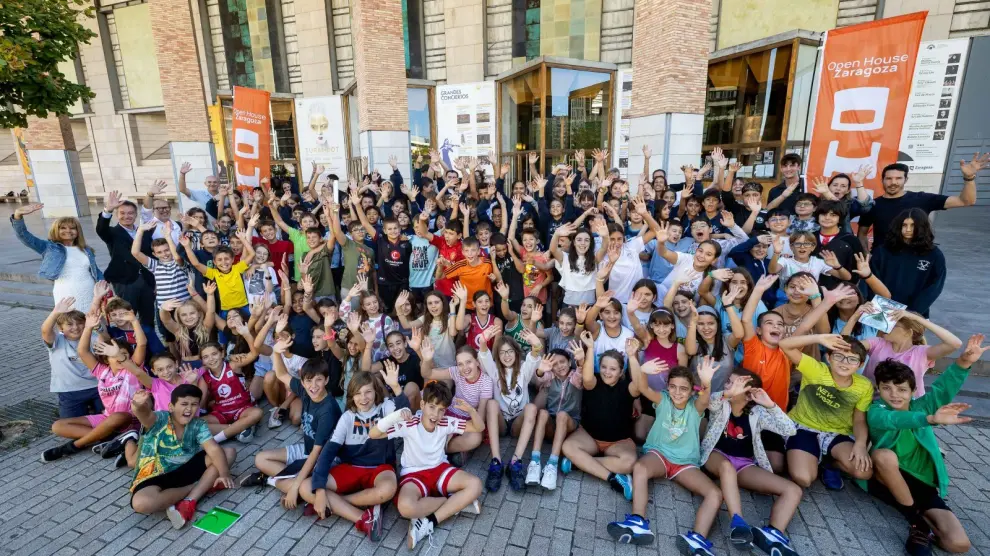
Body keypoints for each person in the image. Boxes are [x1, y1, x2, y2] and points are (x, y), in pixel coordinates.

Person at [861, 334, 985, 556]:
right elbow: (894, 420)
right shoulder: (876, 411)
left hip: (921, 484)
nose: (894, 394)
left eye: (901, 389)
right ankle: (917, 523)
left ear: (912, 390)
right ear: (879, 387)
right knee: (883, 455)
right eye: (887, 388)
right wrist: (929, 419)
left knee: (959, 545)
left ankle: (922, 520)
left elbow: (941, 390)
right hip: (885, 475)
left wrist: (964, 362)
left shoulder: (921, 405)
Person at [608, 362, 721, 553]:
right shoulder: (663, 400)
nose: (677, 392)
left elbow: (705, 399)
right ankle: (638, 521)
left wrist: (707, 383)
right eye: (673, 387)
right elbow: (643, 388)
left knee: (715, 494)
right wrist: (643, 371)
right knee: (640, 468)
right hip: (659, 455)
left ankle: (697, 540)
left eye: (684, 389)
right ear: (667, 386)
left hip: (685, 463)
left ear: (692, 391)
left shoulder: (696, 407)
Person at [371, 382, 485, 550]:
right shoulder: (410, 424)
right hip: (414, 474)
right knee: (406, 507)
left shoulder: (445, 422)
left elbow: (478, 427)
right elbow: (373, 434)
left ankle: (429, 522)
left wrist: (471, 410)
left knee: (476, 485)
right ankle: (455, 503)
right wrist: (395, 417)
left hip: (440, 469)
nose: (436, 414)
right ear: (422, 405)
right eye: (432, 407)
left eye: (441, 409)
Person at [699, 369, 801, 554]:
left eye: (734, 384)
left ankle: (773, 534)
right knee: (726, 467)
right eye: (729, 382)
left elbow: (789, 430)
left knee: (793, 490)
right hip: (716, 455)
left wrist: (770, 405)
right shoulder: (722, 403)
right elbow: (710, 402)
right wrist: (728, 393)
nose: (728, 386)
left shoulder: (757, 412)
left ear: (748, 395)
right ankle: (738, 521)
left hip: (744, 464)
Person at [240, 340, 344, 522]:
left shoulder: (328, 409)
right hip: (307, 450)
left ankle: (281, 483)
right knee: (260, 458)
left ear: (326, 380)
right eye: (309, 380)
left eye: (319, 380)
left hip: (325, 458)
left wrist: (295, 487)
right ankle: (282, 481)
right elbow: (280, 373)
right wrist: (277, 352)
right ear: (302, 382)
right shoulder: (305, 391)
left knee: (302, 484)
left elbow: (317, 453)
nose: (313, 385)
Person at [128, 385, 236, 530]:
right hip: (156, 474)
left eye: (194, 404)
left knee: (228, 453)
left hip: (186, 469)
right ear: (171, 407)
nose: (189, 409)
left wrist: (224, 474)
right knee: (141, 503)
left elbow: (213, 448)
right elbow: (144, 414)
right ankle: (201, 486)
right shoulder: (160, 418)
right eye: (184, 404)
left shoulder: (199, 424)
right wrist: (138, 405)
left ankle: (189, 501)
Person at [42, 311, 142, 462]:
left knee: (117, 416)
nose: (119, 359)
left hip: (128, 419)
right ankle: (114, 439)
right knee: (58, 426)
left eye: (123, 355)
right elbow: (82, 351)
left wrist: (134, 322)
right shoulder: (102, 371)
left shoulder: (133, 371)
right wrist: (87, 328)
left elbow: (142, 344)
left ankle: (72, 447)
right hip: (106, 418)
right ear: (106, 359)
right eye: (113, 355)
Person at [778, 333, 874, 490]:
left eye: (852, 359)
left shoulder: (864, 386)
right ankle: (809, 457)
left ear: (860, 364)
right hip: (804, 427)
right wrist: (818, 338)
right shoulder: (816, 369)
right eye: (839, 356)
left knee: (863, 472)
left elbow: (859, 420)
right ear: (828, 358)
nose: (845, 363)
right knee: (804, 479)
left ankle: (829, 464)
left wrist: (861, 444)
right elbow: (784, 344)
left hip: (838, 433)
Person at [560, 333, 639, 500]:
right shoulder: (593, 381)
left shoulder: (628, 387)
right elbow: (587, 378)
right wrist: (590, 348)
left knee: (629, 463)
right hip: (590, 436)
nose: (607, 372)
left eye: (613, 369)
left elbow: (639, 384)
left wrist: (632, 356)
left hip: (618, 441)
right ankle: (613, 478)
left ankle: (579, 464)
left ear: (621, 371)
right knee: (568, 448)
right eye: (603, 367)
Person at [858, 155, 988, 250]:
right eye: (889, 178)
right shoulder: (873, 205)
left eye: (898, 178)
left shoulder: (922, 199)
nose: (893, 182)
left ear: (906, 179)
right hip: (882, 261)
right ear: (882, 180)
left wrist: (969, 178)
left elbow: (966, 201)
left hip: (916, 259)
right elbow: (862, 233)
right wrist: (866, 256)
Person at [477, 326, 542, 492]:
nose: (507, 356)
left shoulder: (523, 370)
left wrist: (536, 346)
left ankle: (515, 462)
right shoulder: (493, 371)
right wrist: (484, 341)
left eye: (510, 351)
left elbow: (534, 356)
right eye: (502, 352)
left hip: (517, 423)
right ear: (497, 356)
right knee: (492, 404)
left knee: (532, 407)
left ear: (516, 353)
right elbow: (483, 354)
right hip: (500, 422)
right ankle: (496, 462)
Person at [11, 203, 102, 311]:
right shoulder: (49, 247)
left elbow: (95, 271)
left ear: (78, 232)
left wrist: (105, 288)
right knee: (70, 325)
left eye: (72, 228)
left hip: (89, 291)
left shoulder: (86, 250)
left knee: (92, 323)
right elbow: (24, 236)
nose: (68, 231)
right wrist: (18, 215)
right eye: (63, 228)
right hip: (65, 294)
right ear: (56, 230)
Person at [860, 310, 962, 397]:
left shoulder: (921, 353)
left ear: (908, 332)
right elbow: (847, 345)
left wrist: (917, 319)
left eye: (894, 325)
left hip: (908, 407)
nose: (887, 326)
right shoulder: (878, 343)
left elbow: (955, 343)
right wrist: (856, 316)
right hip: (873, 402)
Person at [868, 208, 946, 317]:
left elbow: (934, 288)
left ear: (922, 227)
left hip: (914, 314)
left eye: (913, 225)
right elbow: (871, 280)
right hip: (880, 311)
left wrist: (912, 312)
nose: (908, 229)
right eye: (904, 225)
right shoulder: (882, 251)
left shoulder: (934, 255)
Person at [97, 190, 156, 327]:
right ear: (117, 215)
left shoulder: (144, 230)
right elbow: (101, 229)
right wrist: (108, 210)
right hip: (126, 281)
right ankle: (129, 346)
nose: (126, 216)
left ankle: (149, 346)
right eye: (122, 213)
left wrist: (155, 279)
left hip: (147, 280)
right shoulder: (112, 233)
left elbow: (150, 254)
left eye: (130, 213)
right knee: (126, 318)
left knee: (148, 318)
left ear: (135, 215)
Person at [42, 298, 103, 419]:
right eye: (69, 324)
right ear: (61, 328)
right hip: (69, 390)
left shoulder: (93, 337)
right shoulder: (57, 340)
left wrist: (96, 300)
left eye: (80, 323)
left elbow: (104, 337)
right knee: (70, 424)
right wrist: (55, 313)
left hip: (97, 387)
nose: (75, 327)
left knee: (108, 422)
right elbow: (45, 331)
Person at [192, 340, 264, 443]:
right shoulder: (204, 378)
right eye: (206, 357)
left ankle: (218, 439)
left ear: (222, 353)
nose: (211, 359)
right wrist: (194, 382)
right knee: (195, 424)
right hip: (221, 413)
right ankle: (239, 428)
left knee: (257, 413)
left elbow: (254, 354)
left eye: (214, 354)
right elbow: (200, 404)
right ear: (202, 361)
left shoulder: (233, 366)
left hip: (243, 408)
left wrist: (246, 333)